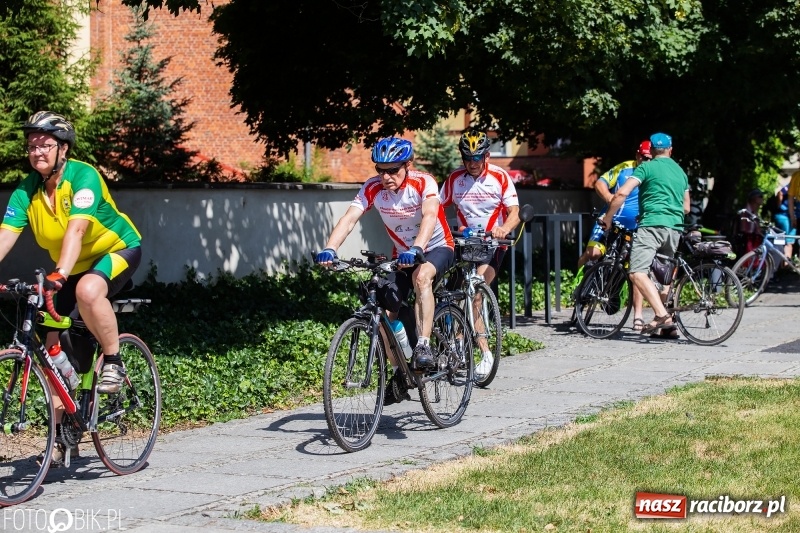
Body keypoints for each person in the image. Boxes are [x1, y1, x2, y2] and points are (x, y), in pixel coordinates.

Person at [0, 111, 143, 463]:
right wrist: (63, 272)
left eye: (44, 145)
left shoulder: (84, 176)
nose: (37, 152)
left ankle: (113, 361)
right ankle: (62, 435)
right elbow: (5, 236)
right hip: (71, 265)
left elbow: (77, 230)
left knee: (88, 290)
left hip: (115, 250)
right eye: (31, 146)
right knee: (52, 348)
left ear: (63, 148)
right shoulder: (26, 191)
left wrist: (61, 273)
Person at [315, 137, 454, 403]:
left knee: (421, 276)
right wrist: (330, 248)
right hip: (402, 255)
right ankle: (400, 372)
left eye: (393, 170)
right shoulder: (372, 187)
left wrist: (417, 248)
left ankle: (423, 346)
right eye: (380, 170)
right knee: (383, 310)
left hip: (436, 246)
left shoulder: (423, 182)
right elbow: (349, 218)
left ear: (408, 165)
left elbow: (430, 215)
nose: (386, 176)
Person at [439, 130, 520, 377]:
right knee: (450, 293)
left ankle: (485, 352)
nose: (472, 163)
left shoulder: (499, 176)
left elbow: (514, 212)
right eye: (467, 158)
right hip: (465, 243)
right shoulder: (455, 179)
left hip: (493, 244)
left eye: (477, 158)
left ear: (486, 156)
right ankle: (456, 341)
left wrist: (504, 228)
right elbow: (436, 208)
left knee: (476, 292)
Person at [600, 132, 690, 339]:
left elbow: (622, 193)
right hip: (675, 227)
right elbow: (686, 207)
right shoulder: (680, 172)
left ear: (652, 150)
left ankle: (662, 316)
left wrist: (608, 217)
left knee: (636, 273)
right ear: (670, 150)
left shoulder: (646, 167)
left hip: (651, 226)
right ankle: (667, 328)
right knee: (663, 276)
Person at [576, 140, 652, 331]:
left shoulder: (654, 174)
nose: (646, 161)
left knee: (636, 270)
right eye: (644, 157)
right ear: (637, 155)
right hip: (610, 221)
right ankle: (579, 285)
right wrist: (610, 198)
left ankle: (638, 316)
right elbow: (600, 183)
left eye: (650, 158)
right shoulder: (625, 168)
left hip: (636, 228)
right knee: (593, 253)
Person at [770, 185, 796, 260]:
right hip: (785, 216)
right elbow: (780, 193)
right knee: (785, 242)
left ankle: (784, 263)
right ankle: (782, 263)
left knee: (787, 242)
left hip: (788, 217)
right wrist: (779, 205)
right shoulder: (792, 186)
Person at [738, 188, 764, 253]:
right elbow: (745, 230)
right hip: (747, 242)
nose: (762, 198)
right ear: (754, 198)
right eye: (760, 196)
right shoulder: (745, 212)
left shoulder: (755, 211)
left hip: (753, 240)